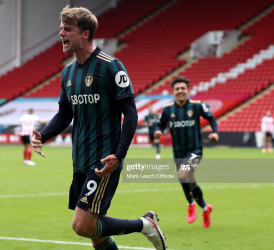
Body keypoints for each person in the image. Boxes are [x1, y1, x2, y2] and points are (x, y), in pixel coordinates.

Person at [31, 6, 167, 250]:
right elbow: (64, 114)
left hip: (104, 159)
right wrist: (44, 134)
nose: (61, 32)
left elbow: (131, 113)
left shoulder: (110, 66)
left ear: (85, 33)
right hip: (79, 159)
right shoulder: (68, 72)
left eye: (67, 28)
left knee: (82, 225)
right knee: (96, 231)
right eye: (61, 27)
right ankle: (145, 224)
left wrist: (119, 153)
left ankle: (145, 224)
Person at [155, 76, 219, 228]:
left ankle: (190, 205)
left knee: (182, 175)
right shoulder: (167, 109)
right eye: (177, 89)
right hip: (178, 152)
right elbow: (160, 125)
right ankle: (205, 209)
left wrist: (215, 132)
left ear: (188, 90)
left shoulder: (197, 106)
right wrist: (158, 131)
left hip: (195, 149)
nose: (180, 91)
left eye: (183, 88)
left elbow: (211, 118)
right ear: (173, 92)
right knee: (191, 182)